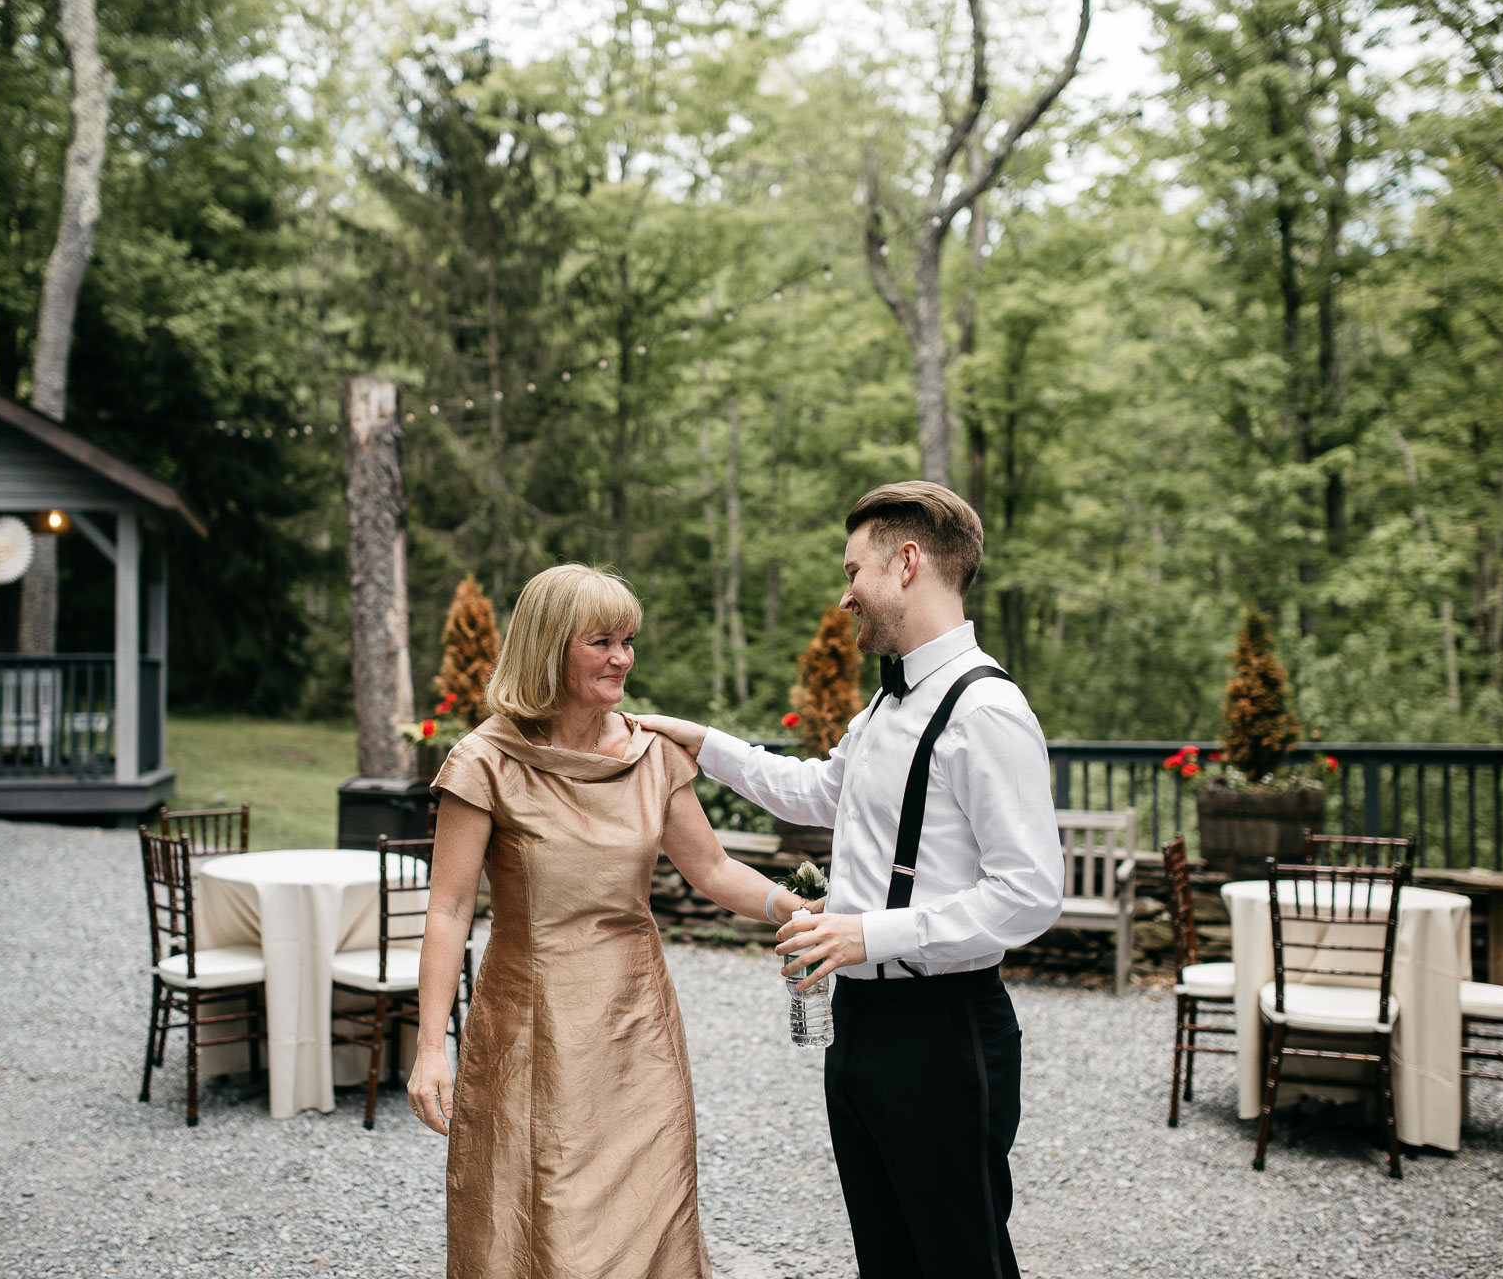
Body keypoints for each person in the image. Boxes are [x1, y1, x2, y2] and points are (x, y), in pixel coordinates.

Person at [639, 480, 1063, 1279]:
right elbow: (818, 792)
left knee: (961, 1261)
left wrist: (868, 933)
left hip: (942, 1031)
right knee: (887, 1258)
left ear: (908, 564)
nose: (844, 596)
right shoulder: (884, 706)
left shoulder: (986, 711)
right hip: (860, 1023)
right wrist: (705, 744)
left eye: (853, 571)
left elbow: (1030, 893)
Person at [406, 563, 815, 1279]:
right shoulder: (485, 762)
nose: (622, 658)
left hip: (637, 1023)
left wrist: (800, 910)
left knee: (648, 1203)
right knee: (534, 1204)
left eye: (628, 641)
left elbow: (713, 868)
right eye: (601, 642)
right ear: (548, 648)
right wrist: (431, 1047)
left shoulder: (653, 755)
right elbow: (448, 909)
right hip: (528, 1022)